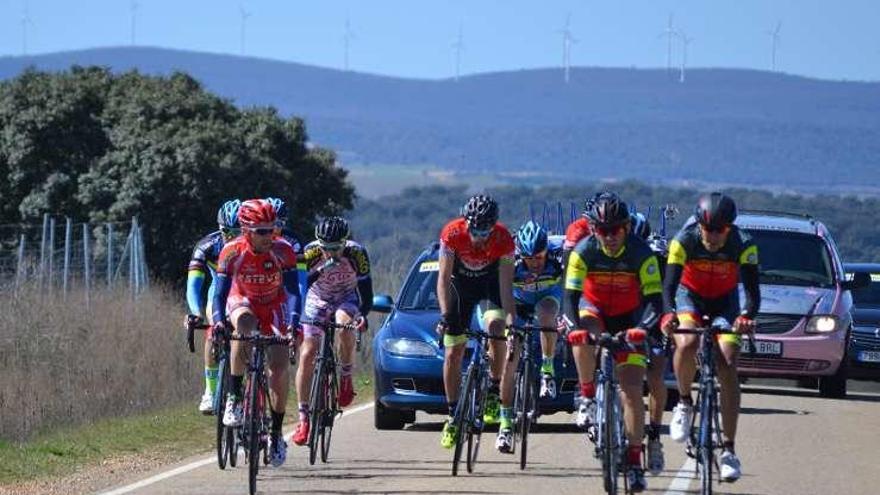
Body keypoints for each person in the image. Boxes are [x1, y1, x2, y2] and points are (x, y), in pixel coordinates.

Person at [563, 192, 663, 492]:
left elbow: (655, 302)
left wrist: (642, 329)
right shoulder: (583, 251)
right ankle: (588, 397)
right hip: (594, 309)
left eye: (615, 230)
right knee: (583, 332)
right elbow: (569, 298)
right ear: (593, 229)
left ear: (626, 228)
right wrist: (573, 328)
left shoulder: (641, 253)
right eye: (602, 231)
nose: (609, 237)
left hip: (630, 317)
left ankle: (634, 459)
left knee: (632, 390)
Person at [661, 192, 759, 483]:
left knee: (727, 363)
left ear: (729, 227)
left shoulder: (744, 243)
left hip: (726, 301)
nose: (714, 236)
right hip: (689, 296)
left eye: (721, 230)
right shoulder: (684, 240)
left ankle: (728, 450)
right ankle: (684, 401)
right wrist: (668, 315)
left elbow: (752, 293)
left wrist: (746, 317)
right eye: (709, 229)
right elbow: (668, 288)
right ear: (699, 225)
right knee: (688, 342)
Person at [213, 199, 301, 467]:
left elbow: (294, 292)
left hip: (274, 304)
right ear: (246, 230)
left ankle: (275, 433)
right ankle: (235, 397)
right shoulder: (231, 251)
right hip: (244, 300)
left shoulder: (283, 251)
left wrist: (293, 325)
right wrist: (218, 321)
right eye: (261, 231)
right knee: (244, 327)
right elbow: (219, 293)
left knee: (278, 364)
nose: (269, 236)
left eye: (272, 229)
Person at [435, 194, 516, 451]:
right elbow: (443, 279)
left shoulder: (504, 239)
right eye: (474, 228)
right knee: (453, 350)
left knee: (496, 329)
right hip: (461, 286)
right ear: (466, 221)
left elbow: (506, 288)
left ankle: (493, 389)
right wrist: (446, 315)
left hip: (491, 285)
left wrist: (511, 323)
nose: (479, 235)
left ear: (494, 226)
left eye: (485, 230)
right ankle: (452, 416)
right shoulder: (452, 233)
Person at [291, 216, 373, 446]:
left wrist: (363, 316)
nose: (332, 252)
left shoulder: (357, 253)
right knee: (307, 353)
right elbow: (299, 285)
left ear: (345, 242)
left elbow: (366, 292)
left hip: (346, 297)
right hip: (317, 299)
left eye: (337, 248)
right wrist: (323, 266)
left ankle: (346, 376)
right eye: (326, 248)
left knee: (344, 323)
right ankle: (303, 418)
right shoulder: (310, 253)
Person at [185, 199, 240, 414]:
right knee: (212, 331)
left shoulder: (254, 247)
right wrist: (196, 313)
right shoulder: (207, 246)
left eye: (238, 231)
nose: (232, 237)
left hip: (246, 296)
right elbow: (193, 285)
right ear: (219, 228)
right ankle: (210, 390)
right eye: (227, 231)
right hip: (218, 295)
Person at [511, 220, 565, 400]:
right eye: (529, 258)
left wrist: (567, 316)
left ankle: (547, 369)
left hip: (548, 295)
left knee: (546, 313)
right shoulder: (511, 258)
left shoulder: (558, 252)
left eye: (539, 257)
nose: (534, 262)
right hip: (519, 299)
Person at [631, 211, 667, 475]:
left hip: (651, 315)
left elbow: (665, 295)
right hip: (623, 314)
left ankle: (654, 436)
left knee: (655, 372)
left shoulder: (656, 257)